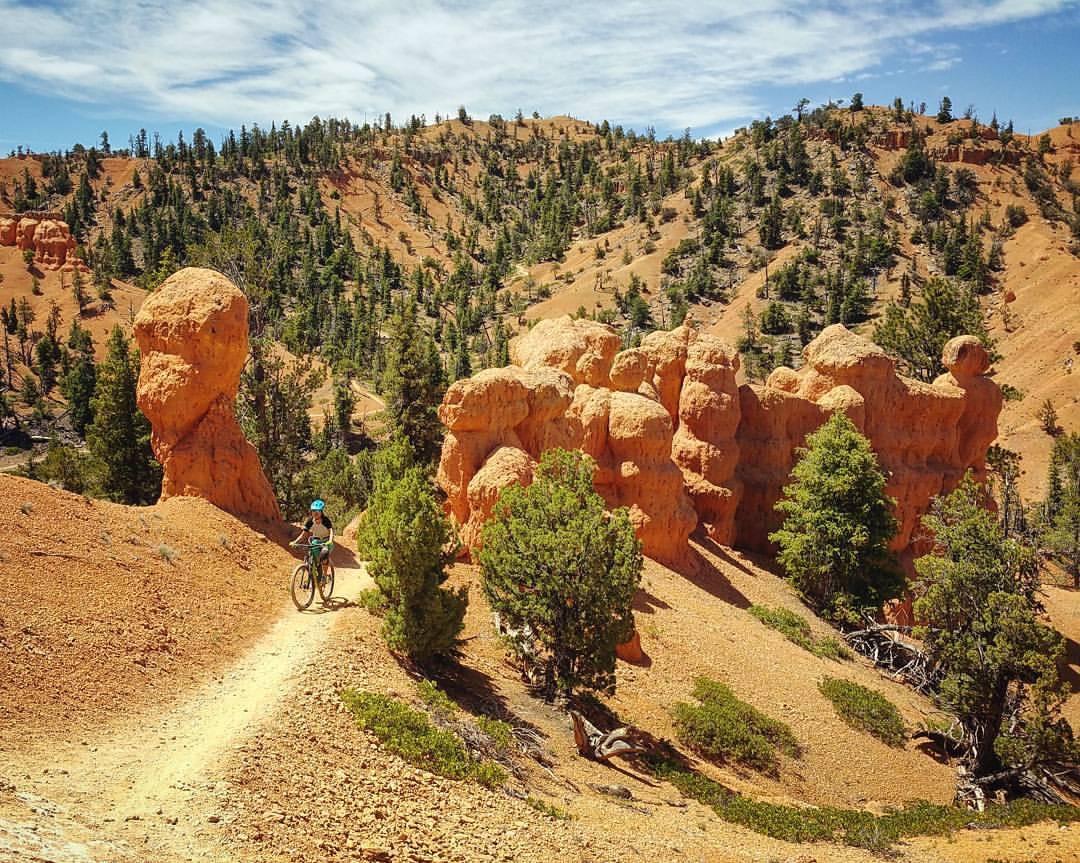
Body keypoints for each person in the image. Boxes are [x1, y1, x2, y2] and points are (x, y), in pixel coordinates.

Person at [293, 499, 335, 580]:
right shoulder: (310, 521)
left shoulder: (325, 520)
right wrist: (295, 542)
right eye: (313, 511)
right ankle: (316, 573)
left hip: (326, 541)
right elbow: (303, 535)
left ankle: (325, 576)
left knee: (324, 554)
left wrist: (330, 541)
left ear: (321, 512)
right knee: (315, 557)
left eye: (317, 511)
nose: (315, 513)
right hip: (316, 541)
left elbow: (331, 531)